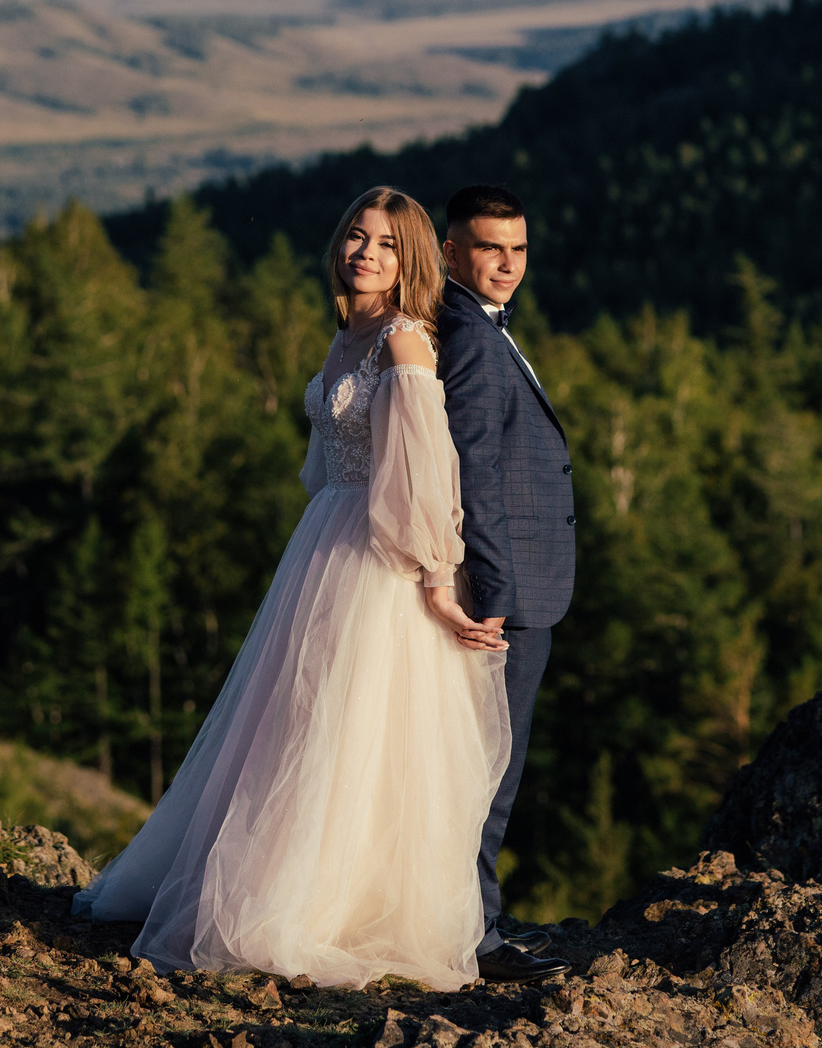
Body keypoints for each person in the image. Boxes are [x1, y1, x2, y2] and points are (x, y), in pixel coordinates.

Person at [73, 186, 512, 990]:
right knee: (294, 722)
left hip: (381, 560)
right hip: (326, 540)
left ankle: (324, 909)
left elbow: (423, 473)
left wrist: (440, 584)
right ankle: (267, 887)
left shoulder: (407, 342)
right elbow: (329, 459)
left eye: (385, 243)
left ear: (411, 260)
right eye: (356, 236)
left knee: (352, 732)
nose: (366, 252)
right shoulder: (349, 332)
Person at [433, 184, 578, 981]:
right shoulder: (467, 335)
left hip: (516, 579)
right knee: (491, 766)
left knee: (487, 763)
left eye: (519, 249)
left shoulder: (476, 326)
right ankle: (476, 939)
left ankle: (470, 920)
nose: (508, 264)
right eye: (490, 248)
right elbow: (475, 469)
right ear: (452, 251)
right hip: (507, 590)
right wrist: (492, 587)